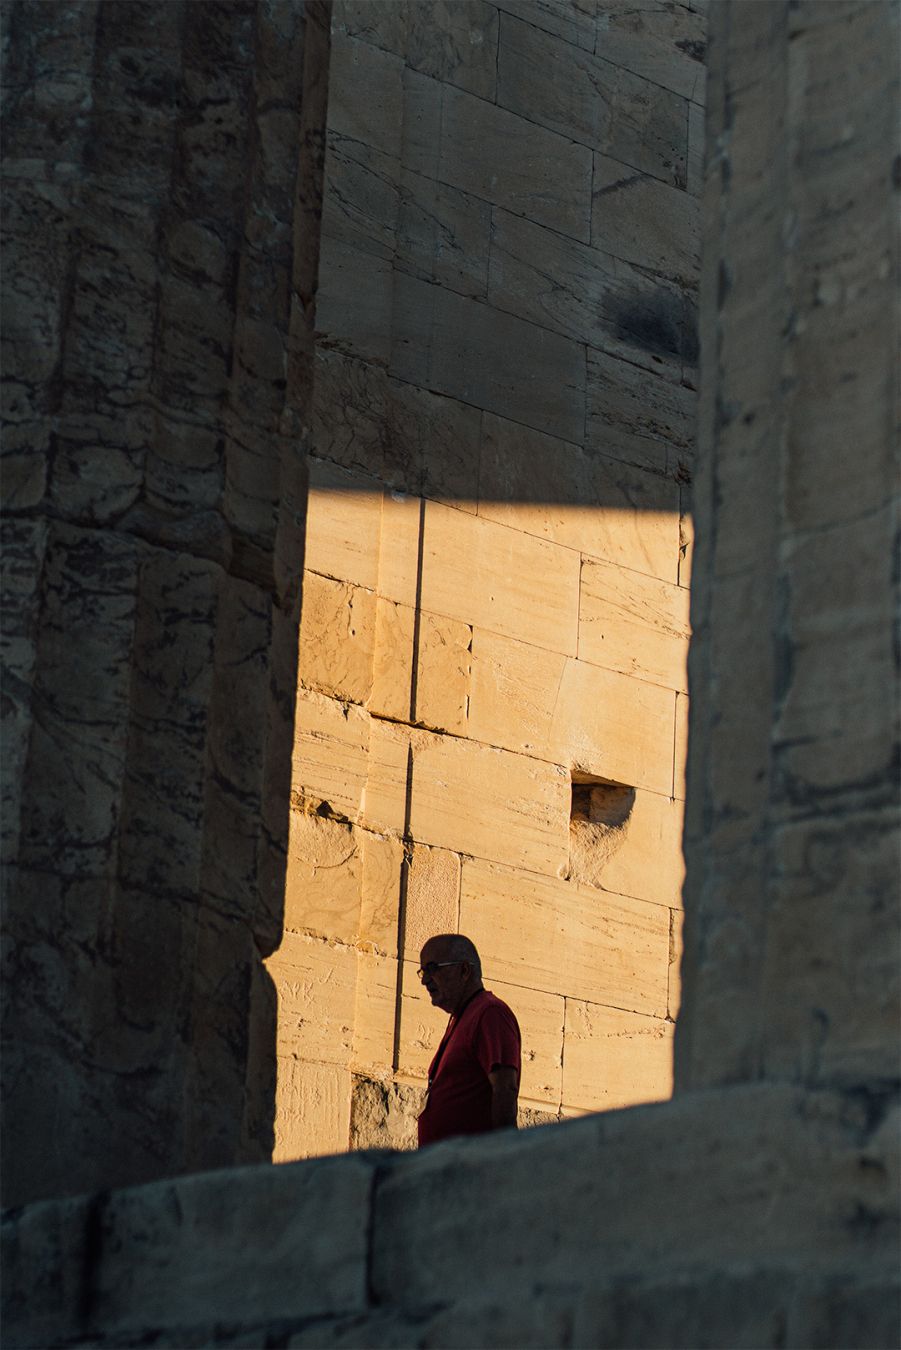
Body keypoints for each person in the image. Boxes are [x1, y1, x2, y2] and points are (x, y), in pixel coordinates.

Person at [416, 933, 521, 1147]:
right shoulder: (463, 1017)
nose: (425, 980)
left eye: (433, 968)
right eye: (423, 971)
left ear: (464, 970)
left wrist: (504, 1157)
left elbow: (505, 1088)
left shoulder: (490, 1012)